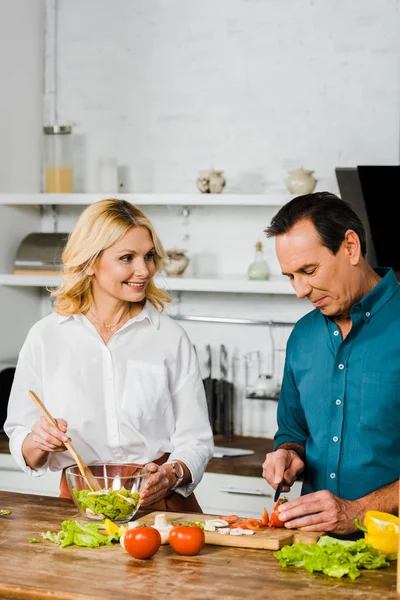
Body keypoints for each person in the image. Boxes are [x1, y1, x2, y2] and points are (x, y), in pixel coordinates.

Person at [5, 198, 214, 511]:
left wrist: (171, 474)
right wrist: (39, 441)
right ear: (90, 262)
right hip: (80, 503)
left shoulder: (169, 337)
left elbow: (196, 440)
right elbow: (20, 435)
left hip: (159, 504)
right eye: (127, 258)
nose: (144, 270)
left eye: (149, 256)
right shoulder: (46, 336)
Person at [262, 191, 399, 535]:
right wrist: (288, 455)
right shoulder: (303, 337)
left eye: (308, 270)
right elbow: (294, 432)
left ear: (350, 247)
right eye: (290, 276)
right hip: (315, 549)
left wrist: (359, 512)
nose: (300, 290)